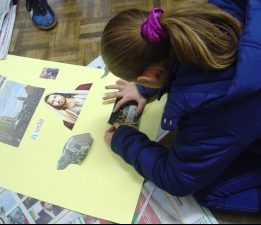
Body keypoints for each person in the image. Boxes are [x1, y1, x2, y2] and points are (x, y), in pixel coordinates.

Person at [101, 1, 261, 214]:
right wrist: (144, 88)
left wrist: (125, 141)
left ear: (149, 76)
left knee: (207, 191)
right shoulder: (215, 10)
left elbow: (177, 179)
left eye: (143, 82)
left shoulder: (206, 113)